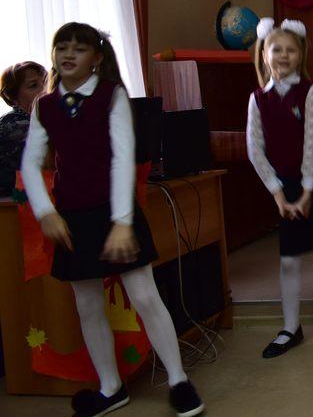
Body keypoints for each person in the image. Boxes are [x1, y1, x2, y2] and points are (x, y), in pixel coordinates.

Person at [21, 22, 204, 416]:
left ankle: (178, 380)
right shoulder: (45, 106)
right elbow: (31, 163)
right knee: (87, 304)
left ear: (96, 58)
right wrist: (46, 212)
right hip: (73, 218)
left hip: (115, 212)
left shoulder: (111, 95)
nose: (68, 55)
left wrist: (122, 221)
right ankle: (110, 387)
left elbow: (123, 157)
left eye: (78, 48)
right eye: (62, 47)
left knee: (144, 296)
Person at [246, 17, 313, 359]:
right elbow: (254, 149)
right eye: (276, 49)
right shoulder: (257, 98)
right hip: (284, 191)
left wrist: (308, 192)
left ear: (301, 54)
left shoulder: (309, 92)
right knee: (289, 261)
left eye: (290, 50)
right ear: (264, 55)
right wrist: (279, 194)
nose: (283, 55)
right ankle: (291, 327)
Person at [0, 61, 46, 196]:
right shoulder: (14, 124)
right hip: (11, 204)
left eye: (46, 82)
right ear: (13, 98)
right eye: (33, 86)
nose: (45, 89)